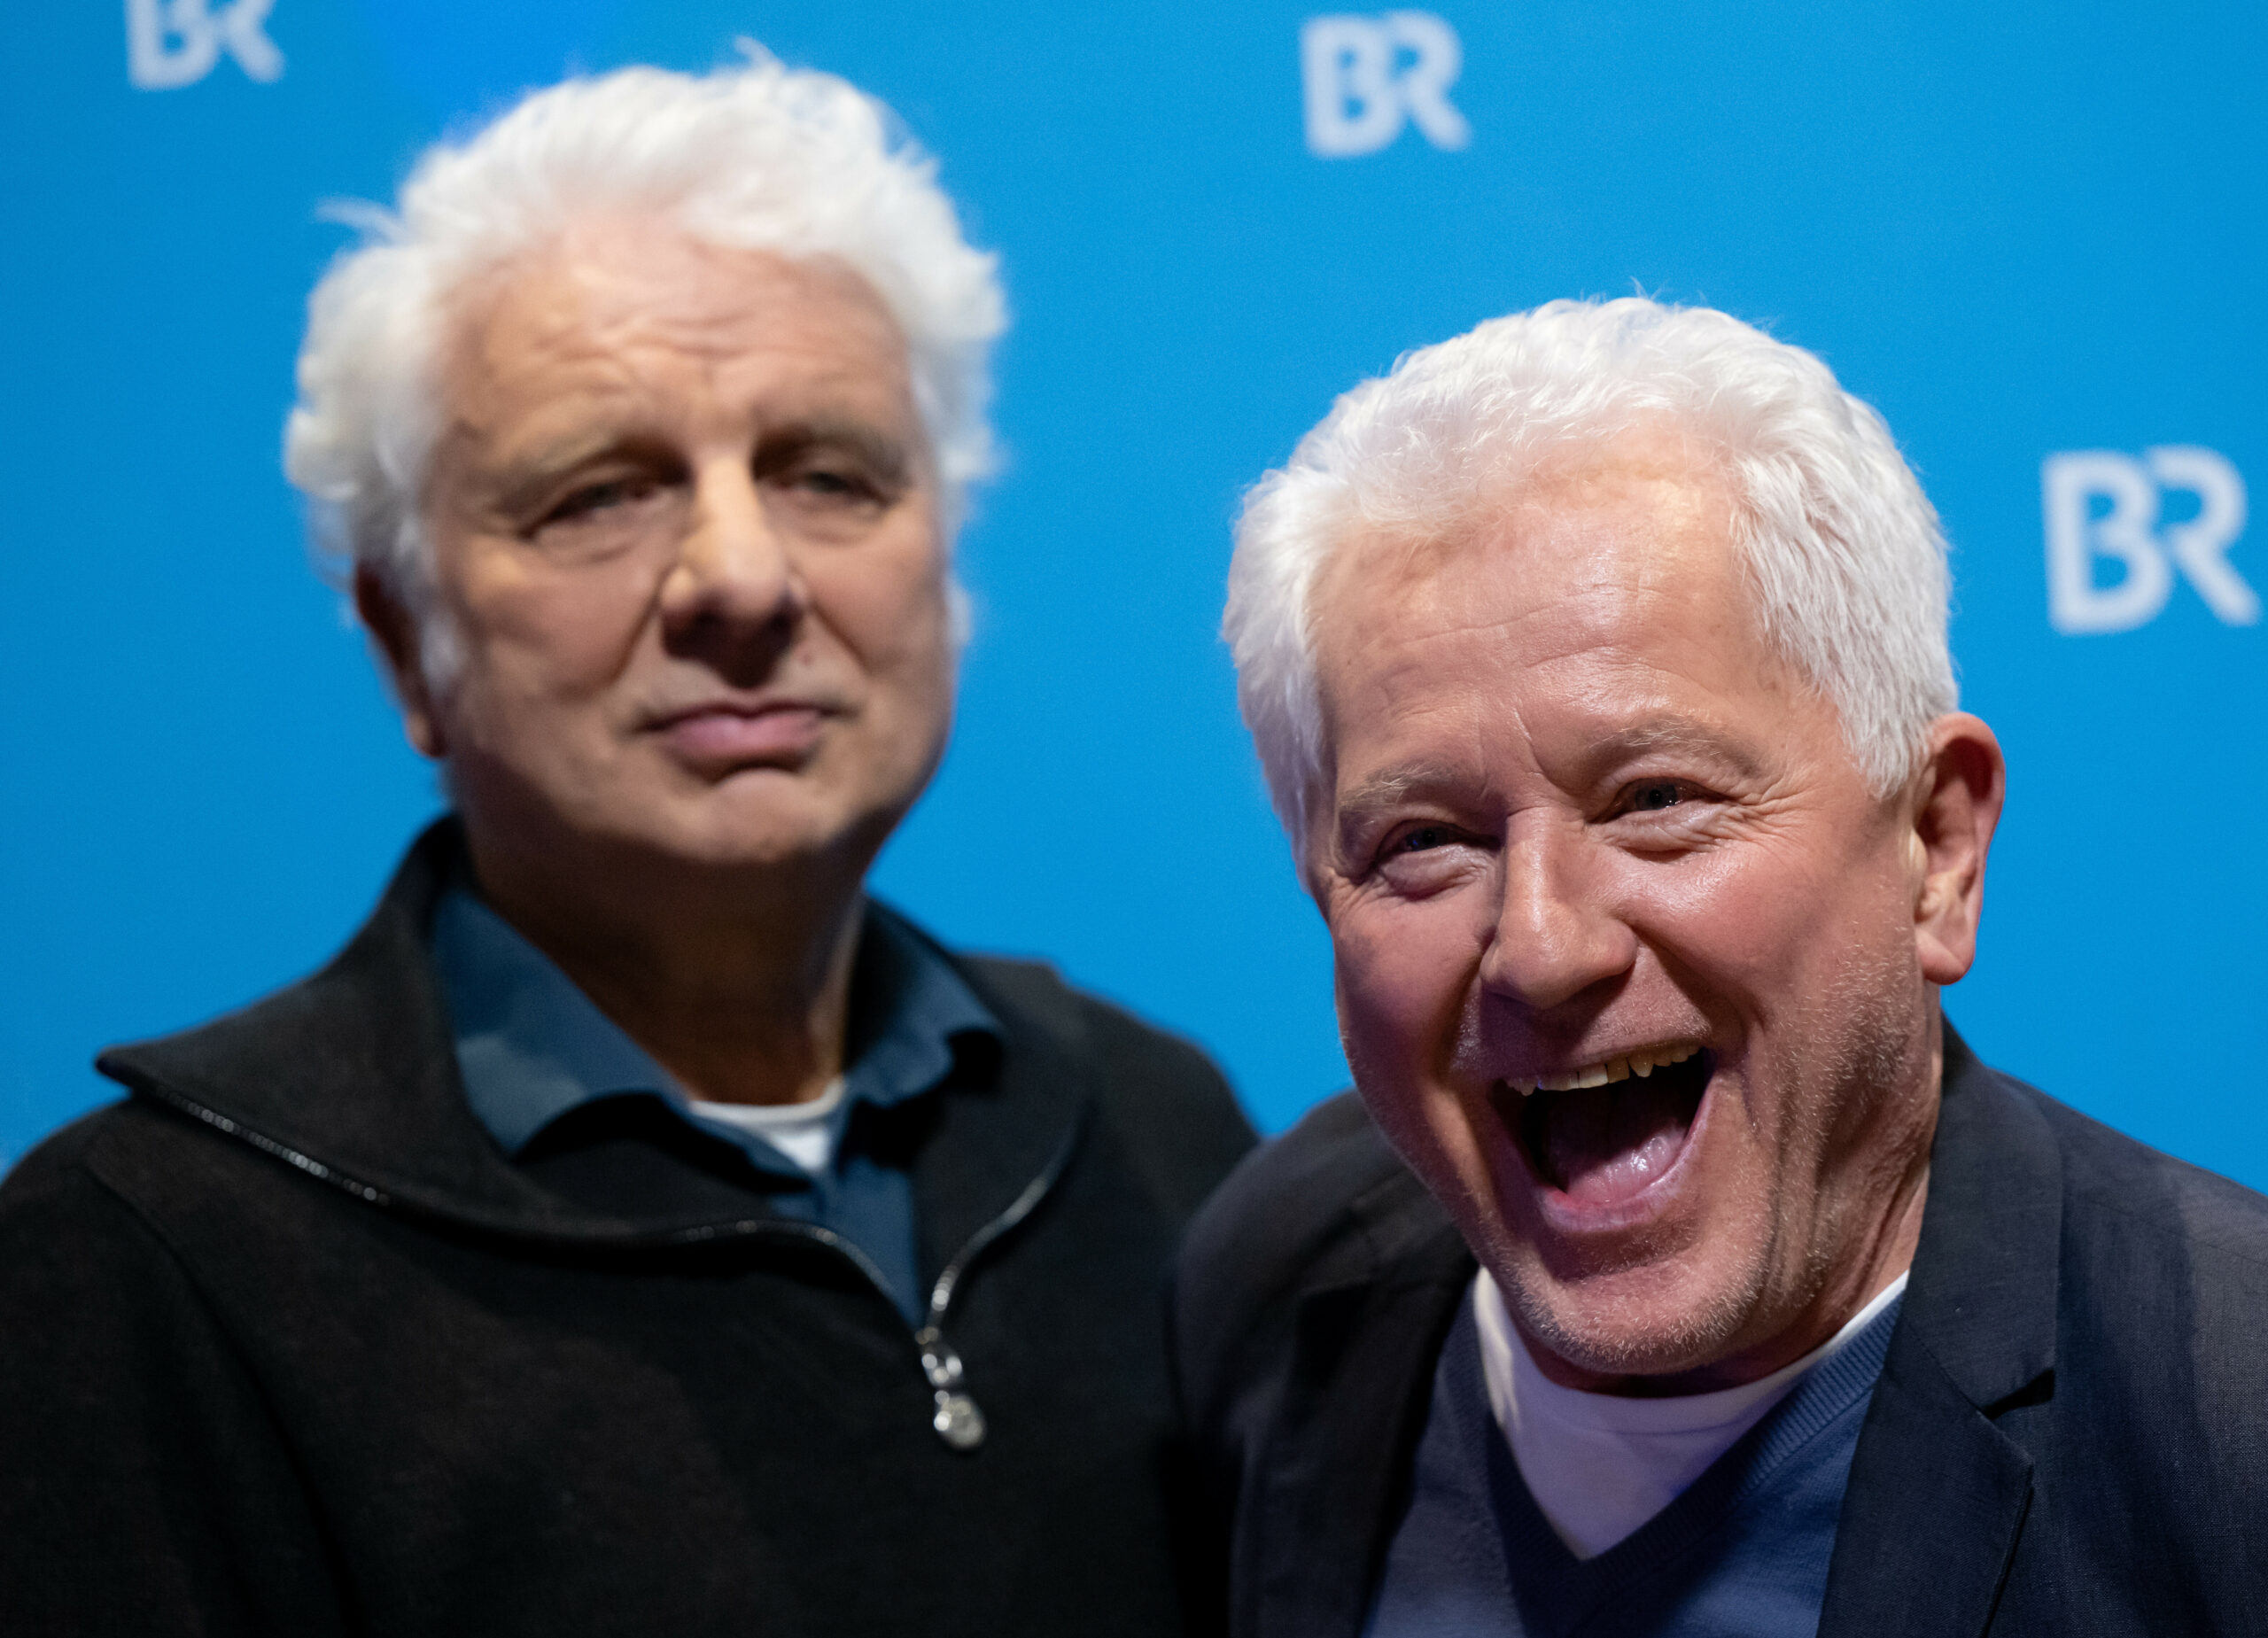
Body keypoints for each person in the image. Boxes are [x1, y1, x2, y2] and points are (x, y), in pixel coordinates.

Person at [0, 54, 1253, 1637]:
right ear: (406, 644)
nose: (742, 577)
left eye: (825, 473)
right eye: (601, 494)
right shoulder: (152, 1261)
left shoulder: (1159, 1130)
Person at [1174, 298, 2268, 1637]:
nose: (1541, 943)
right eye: (1425, 841)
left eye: (1655, 798)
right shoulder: (1271, 1281)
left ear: (1936, 849)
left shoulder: (2232, 1421)